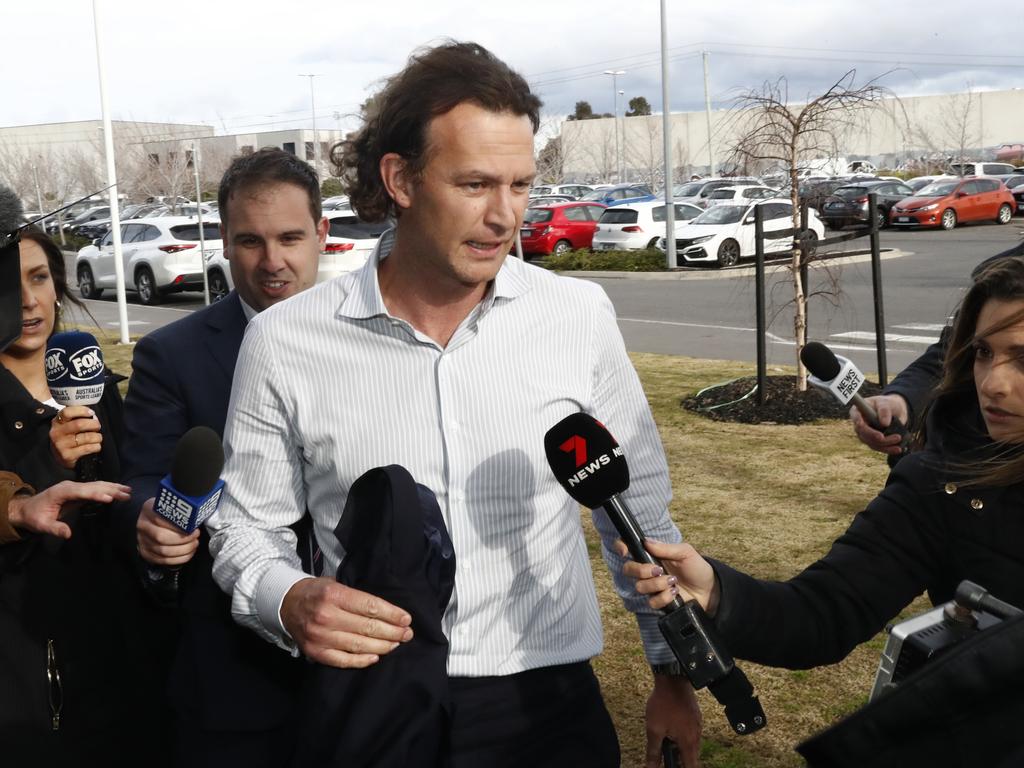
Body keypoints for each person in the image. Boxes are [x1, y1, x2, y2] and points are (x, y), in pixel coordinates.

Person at [209, 41, 703, 768]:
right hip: (374, 705)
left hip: (548, 707)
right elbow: (244, 527)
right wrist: (288, 598)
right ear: (400, 178)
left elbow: (641, 517)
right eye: (475, 184)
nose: (504, 216)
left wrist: (673, 672)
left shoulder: (577, 316)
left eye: (521, 185)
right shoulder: (287, 341)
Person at [623, 254, 1024, 675]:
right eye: (983, 352)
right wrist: (717, 594)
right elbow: (822, 614)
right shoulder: (943, 484)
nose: (993, 383)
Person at [118, 147, 326, 766]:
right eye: (250, 242)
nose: (273, 263)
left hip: (372, 673)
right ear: (226, 245)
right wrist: (150, 523)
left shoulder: (380, 338)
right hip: (236, 682)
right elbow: (142, 483)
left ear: (323, 233)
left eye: (290, 238)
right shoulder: (171, 357)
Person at [0, 228, 150, 762]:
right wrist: (45, 462)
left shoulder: (99, 385)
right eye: (7, 284)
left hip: (116, 653)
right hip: (29, 678)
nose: (27, 299)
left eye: (39, 277)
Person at [851, 239, 1024, 457]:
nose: (991, 386)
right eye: (983, 352)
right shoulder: (997, 275)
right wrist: (901, 401)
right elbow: (948, 357)